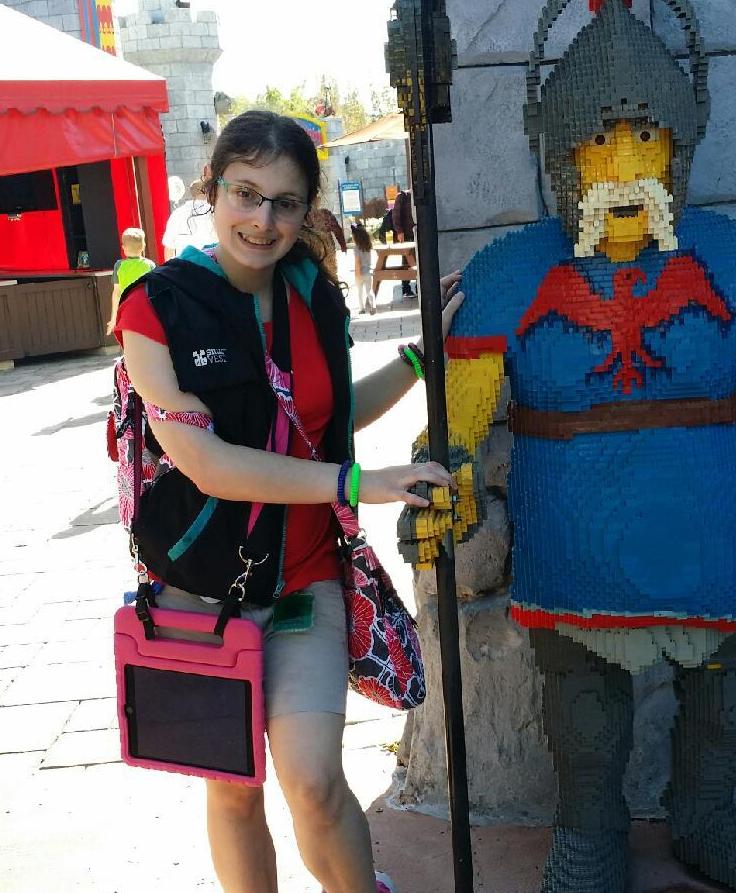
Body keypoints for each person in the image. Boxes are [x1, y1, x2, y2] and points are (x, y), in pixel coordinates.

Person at [399, 2, 736, 893]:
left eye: (645, 141)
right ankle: (589, 829)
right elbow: (460, 417)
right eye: (602, 145)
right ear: (563, 155)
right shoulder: (511, 274)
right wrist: (442, 480)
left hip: (711, 542)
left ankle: (706, 813)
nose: (625, 168)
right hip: (577, 546)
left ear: (678, 146)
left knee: (734, 694)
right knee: (585, 716)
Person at [114, 109, 464, 893]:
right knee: (234, 788)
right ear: (212, 191)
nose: (261, 220)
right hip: (200, 594)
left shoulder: (313, 293)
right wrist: (354, 484)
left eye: (283, 202)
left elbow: (323, 419)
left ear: (307, 210)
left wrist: (418, 356)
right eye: (245, 194)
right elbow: (206, 463)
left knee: (311, 780)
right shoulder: (153, 308)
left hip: (305, 580)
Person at [106, 227, 155, 335]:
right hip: (146, 308)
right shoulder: (150, 265)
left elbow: (116, 293)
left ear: (124, 248)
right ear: (143, 247)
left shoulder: (119, 265)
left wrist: (114, 318)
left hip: (126, 308)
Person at [162, 178, 217, 260]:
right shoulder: (215, 212)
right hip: (210, 263)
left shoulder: (178, 213)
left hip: (184, 264)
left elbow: (169, 245)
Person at [391, 189, 415, 298]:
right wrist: (400, 231)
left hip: (415, 234)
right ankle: (406, 288)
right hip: (407, 236)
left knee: (416, 263)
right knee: (406, 262)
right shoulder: (402, 196)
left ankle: (417, 287)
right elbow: (395, 215)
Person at [351, 221, 375, 315]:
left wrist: (357, 273)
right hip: (368, 272)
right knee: (369, 291)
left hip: (360, 272)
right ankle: (373, 306)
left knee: (360, 292)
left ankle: (362, 309)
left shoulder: (356, 248)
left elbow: (357, 261)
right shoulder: (368, 247)